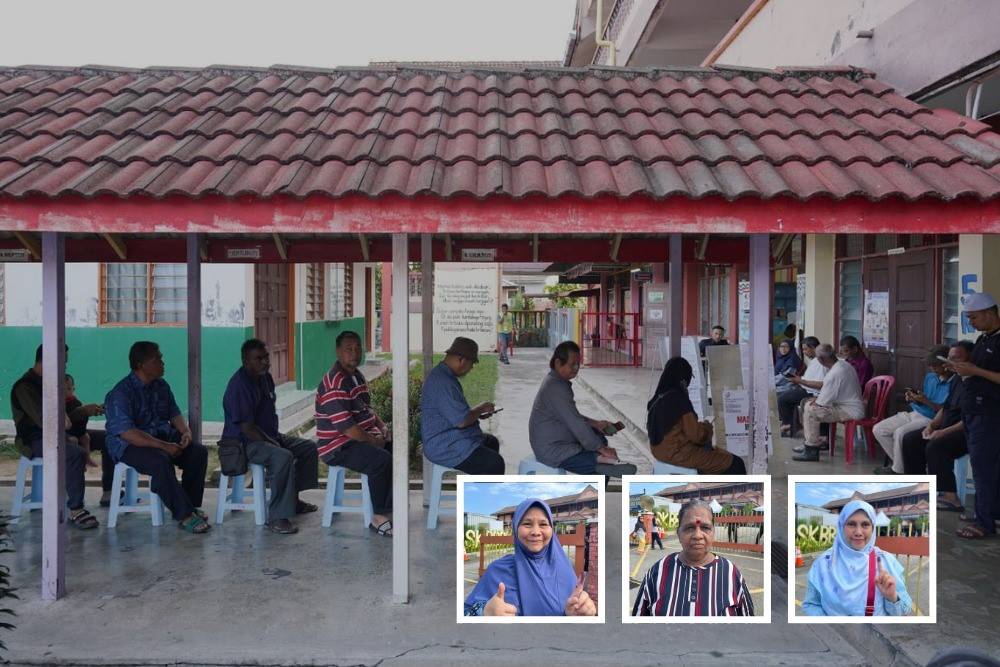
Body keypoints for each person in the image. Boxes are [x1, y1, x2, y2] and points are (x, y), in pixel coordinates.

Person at [104, 341, 210, 534]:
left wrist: (185, 432)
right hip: (129, 445)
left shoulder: (161, 386)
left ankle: (190, 505)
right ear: (141, 365)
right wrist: (164, 446)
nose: (163, 363)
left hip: (161, 438)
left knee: (198, 453)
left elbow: (174, 413)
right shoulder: (121, 393)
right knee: (160, 462)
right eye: (157, 359)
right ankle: (184, 515)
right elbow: (128, 433)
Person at [222, 339, 320, 534]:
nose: (265, 362)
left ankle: (292, 500)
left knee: (308, 448)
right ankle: (277, 517)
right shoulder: (239, 386)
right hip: (243, 443)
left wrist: (274, 439)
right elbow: (247, 428)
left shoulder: (265, 378)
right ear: (245, 361)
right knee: (282, 456)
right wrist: (273, 443)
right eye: (259, 359)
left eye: (266, 357)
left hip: (268, 436)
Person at [10, 345, 105, 529]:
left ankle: (109, 492)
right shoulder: (25, 387)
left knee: (110, 439)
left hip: (61, 432)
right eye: (63, 363)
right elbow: (46, 421)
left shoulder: (51, 382)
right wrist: (75, 418)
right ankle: (76, 509)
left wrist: (83, 411)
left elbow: (67, 417)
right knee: (74, 453)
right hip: (35, 439)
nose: (64, 368)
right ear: (47, 360)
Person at [315, 330, 393, 536]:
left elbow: (368, 410)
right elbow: (347, 429)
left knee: (397, 450)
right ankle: (379, 517)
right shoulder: (334, 383)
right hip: (338, 446)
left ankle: (391, 506)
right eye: (349, 349)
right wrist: (374, 441)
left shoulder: (356, 376)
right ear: (338, 352)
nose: (355, 353)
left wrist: (383, 427)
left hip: (359, 437)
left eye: (358, 348)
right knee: (381, 460)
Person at [464, 498, 596, 617]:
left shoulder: (564, 568)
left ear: (551, 529)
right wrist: (484, 612)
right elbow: (465, 614)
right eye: (527, 524)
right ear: (515, 528)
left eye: (543, 524)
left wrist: (574, 613)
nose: (536, 532)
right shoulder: (497, 570)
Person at [528, 341, 637, 476]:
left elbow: (572, 415)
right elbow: (575, 423)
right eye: (572, 364)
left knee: (596, 436)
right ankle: (602, 463)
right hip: (551, 448)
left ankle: (603, 463)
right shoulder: (555, 387)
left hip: (561, 439)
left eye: (578, 364)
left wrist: (597, 424)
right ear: (557, 363)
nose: (576, 368)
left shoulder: (557, 382)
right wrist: (601, 449)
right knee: (594, 448)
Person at [633, 499, 755, 616]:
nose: (697, 535)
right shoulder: (657, 571)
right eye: (690, 528)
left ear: (713, 533)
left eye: (705, 528)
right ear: (679, 533)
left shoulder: (731, 573)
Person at [801, 499, 913, 616]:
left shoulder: (886, 562)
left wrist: (892, 597)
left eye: (865, 525)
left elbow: (905, 611)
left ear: (873, 528)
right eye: (851, 524)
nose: (858, 532)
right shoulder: (823, 563)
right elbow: (811, 604)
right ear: (841, 527)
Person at [949, 293, 1000, 539]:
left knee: (984, 469)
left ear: (990, 313)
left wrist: (975, 369)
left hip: (990, 415)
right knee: (985, 467)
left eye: (974, 317)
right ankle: (989, 513)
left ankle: (984, 523)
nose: (971, 323)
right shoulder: (983, 339)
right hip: (974, 411)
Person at [901, 341, 973, 513]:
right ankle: (922, 490)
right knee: (911, 439)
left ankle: (951, 498)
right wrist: (932, 426)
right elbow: (945, 408)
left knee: (936, 446)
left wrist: (942, 432)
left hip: (965, 432)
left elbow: (969, 420)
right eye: (949, 358)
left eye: (956, 359)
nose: (950, 363)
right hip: (946, 427)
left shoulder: (976, 384)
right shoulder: (956, 380)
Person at [421, 337, 505, 475]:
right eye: (471, 364)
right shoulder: (443, 382)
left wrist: (478, 412)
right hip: (444, 445)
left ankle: (478, 492)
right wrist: (481, 408)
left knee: (491, 442)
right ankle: (484, 495)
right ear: (462, 360)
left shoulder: (444, 376)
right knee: (494, 463)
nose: (471, 369)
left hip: (451, 436)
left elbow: (456, 412)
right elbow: (461, 421)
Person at [647, 357, 746, 474]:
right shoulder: (678, 399)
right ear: (683, 380)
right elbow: (697, 435)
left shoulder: (657, 398)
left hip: (659, 452)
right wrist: (707, 427)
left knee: (716, 456)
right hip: (677, 453)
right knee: (735, 462)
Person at [872, 346, 953, 474]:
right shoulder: (931, 377)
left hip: (932, 418)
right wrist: (914, 398)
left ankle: (898, 471)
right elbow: (925, 397)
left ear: (946, 364)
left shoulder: (953, 383)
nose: (932, 369)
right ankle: (904, 468)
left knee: (900, 433)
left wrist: (924, 400)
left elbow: (944, 410)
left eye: (935, 366)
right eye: (930, 366)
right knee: (879, 429)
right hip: (916, 412)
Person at [793, 344, 865, 462]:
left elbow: (822, 403)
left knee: (811, 410)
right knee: (809, 405)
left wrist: (815, 401)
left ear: (821, 359)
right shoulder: (842, 365)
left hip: (850, 410)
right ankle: (810, 443)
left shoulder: (835, 373)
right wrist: (816, 399)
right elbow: (826, 391)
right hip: (844, 405)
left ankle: (812, 448)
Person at [64, 372, 116, 507]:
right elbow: (65, 422)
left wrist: (88, 411)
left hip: (78, 433)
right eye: (67, 388)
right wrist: (83, 411)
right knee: (75, 446)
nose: (70, 391)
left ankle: (108, 490)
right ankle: (76, 504)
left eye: (71, 388)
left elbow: (79, 424)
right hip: (63, 437)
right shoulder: (51, 400)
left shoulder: (73, 402)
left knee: (108, 439)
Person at [781, 336, 827, 436]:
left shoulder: (821, 363)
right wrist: (798, 379)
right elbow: (809, 378)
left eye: (806, 349)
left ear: (814, 348)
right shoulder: (814, 361)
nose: (804, 352)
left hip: (812, 392)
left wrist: (800, 381)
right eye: (803, 349)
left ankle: (789, 425)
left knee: (783, 399)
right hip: (805, 387)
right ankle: (790, 425)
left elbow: (820, 384)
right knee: (784, 393)